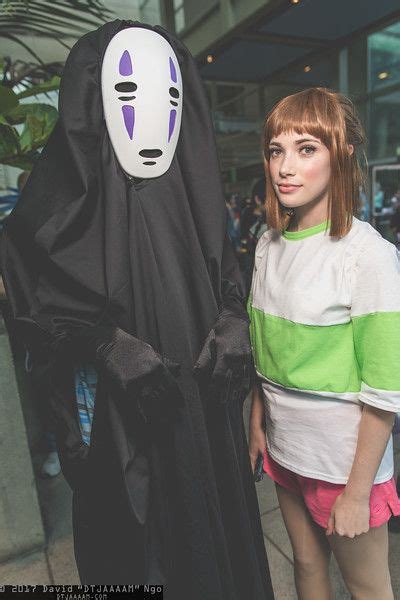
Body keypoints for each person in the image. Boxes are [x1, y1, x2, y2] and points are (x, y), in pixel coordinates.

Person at [1, 20, 273, 599]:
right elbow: (34, 295)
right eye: (125, 92)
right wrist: (103, 342)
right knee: (140, 554)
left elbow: (223, 270)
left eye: (170, 95)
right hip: (116, 426)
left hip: (200, 418)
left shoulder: (193, 194)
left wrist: (232, 320)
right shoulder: (61, 197)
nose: (150, 111)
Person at [248, 87, 400, 600]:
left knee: (368, 588)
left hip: (344, 462)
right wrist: (257, 426)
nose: (285, 167)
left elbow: (384, 387)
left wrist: (358, 492)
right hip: (287, 448)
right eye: (276, 150)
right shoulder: (267, 245)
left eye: (307, 148)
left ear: (343, 154)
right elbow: (263, 353)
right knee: (307, 566)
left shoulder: (369, 256)